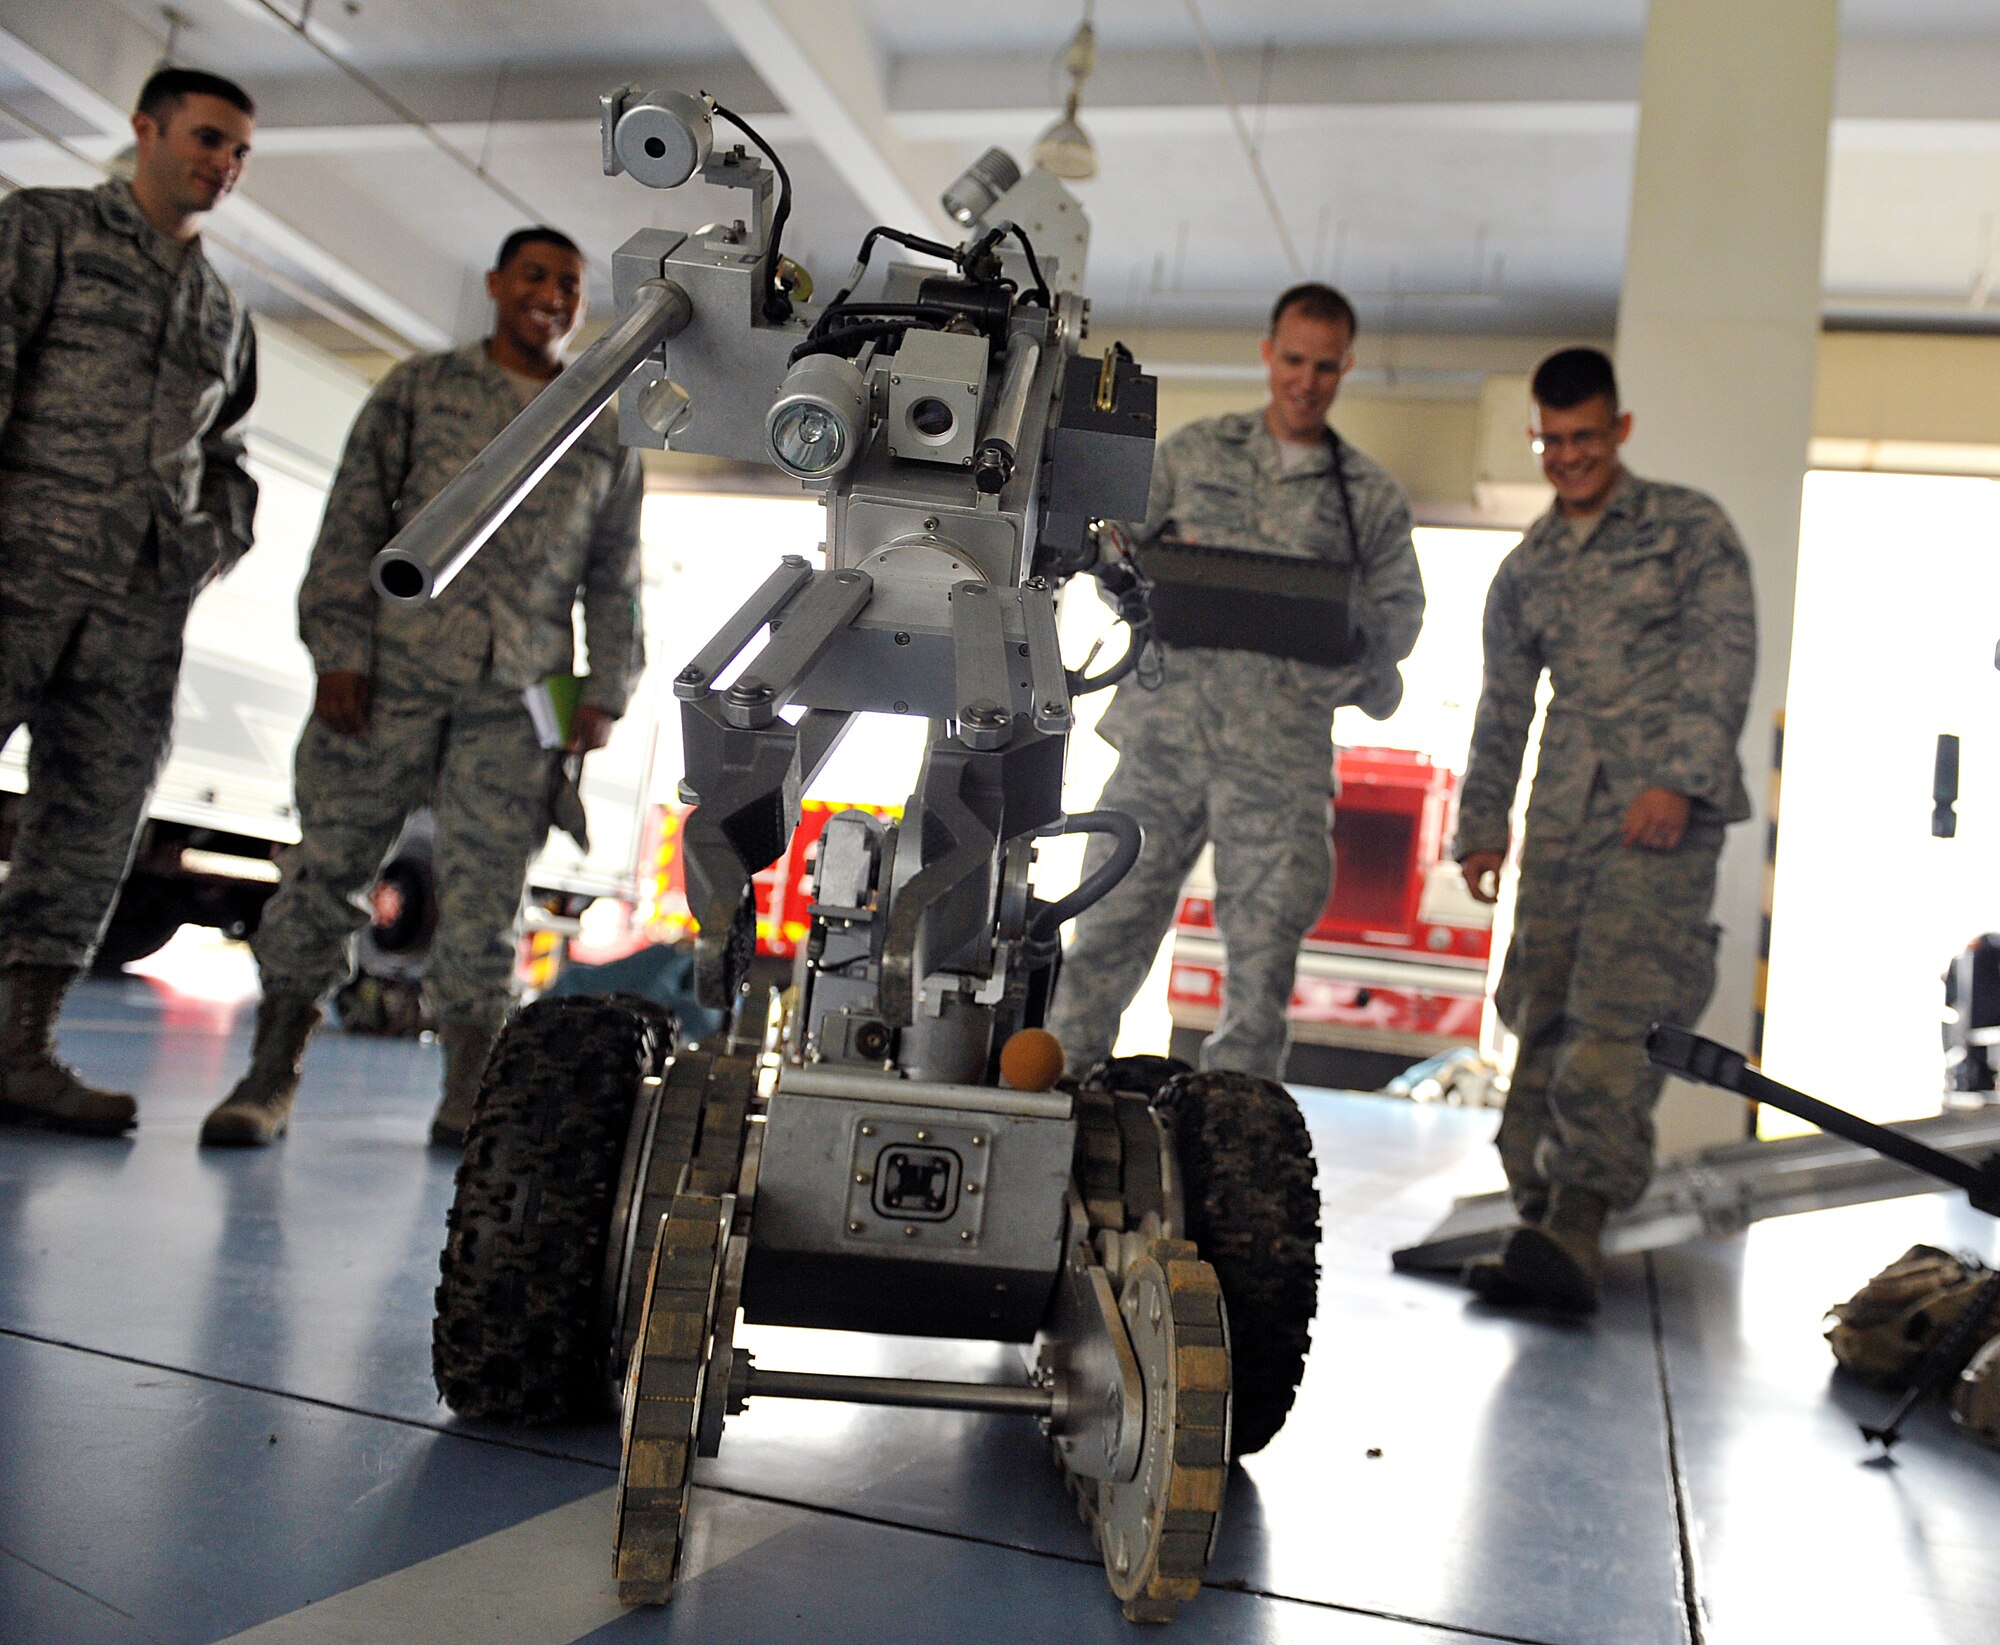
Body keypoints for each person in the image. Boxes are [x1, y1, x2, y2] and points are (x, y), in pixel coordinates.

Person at [198, 226, 644, 1149]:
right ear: (496, 283)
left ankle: (467, 1097)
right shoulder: (419, 388)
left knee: (487, 901)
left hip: (519, 694)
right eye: (535, 276)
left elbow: (615, 575)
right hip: (390, 676)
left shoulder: (600, 427)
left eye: (569, 285)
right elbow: (353, 518)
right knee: (327, 872)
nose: (552, 296)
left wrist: (606, 687)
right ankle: (269, 1076)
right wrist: (338, 650)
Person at [1046, 283, 1425, 1080]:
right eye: (1294, 360)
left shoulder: (1367, 496)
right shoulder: (1195, 453)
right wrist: (1150, 571)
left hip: (1279, 760)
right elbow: (1111, 556)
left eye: (1325, 366)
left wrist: (1333, 622)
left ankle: (1240, 1127)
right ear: (1267, 353)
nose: (1306, 381)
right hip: (1163, 741)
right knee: (1106, 931)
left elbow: (1400, 619)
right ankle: (1060, 1092)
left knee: (1261, 965)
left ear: (1347, 367)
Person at [1455, 346, 1756, 1314]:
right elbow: (1503, 704)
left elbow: (1722, 657)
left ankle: (1576, 1223)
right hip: (1560, 814)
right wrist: (1481, 825)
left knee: (1617, 1016)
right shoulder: (1527, 567)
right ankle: (1535, 1215)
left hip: (1657, 819)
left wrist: (1677, 780)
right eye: (1551, 441)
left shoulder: (1688, 530)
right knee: (1538, 1006)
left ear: (1619, 428)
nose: (1569, 456)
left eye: (1586, 437)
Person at [0, 68, 258, 1138]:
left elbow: (226, 454)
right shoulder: (46, 230)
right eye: (207, 138)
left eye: (238, 152)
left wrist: (207, 544)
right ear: (146, 129)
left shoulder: (221, 307)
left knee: (92, 826)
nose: (223, 164)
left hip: (136, 612)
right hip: (17, 569)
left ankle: (20, 1051)